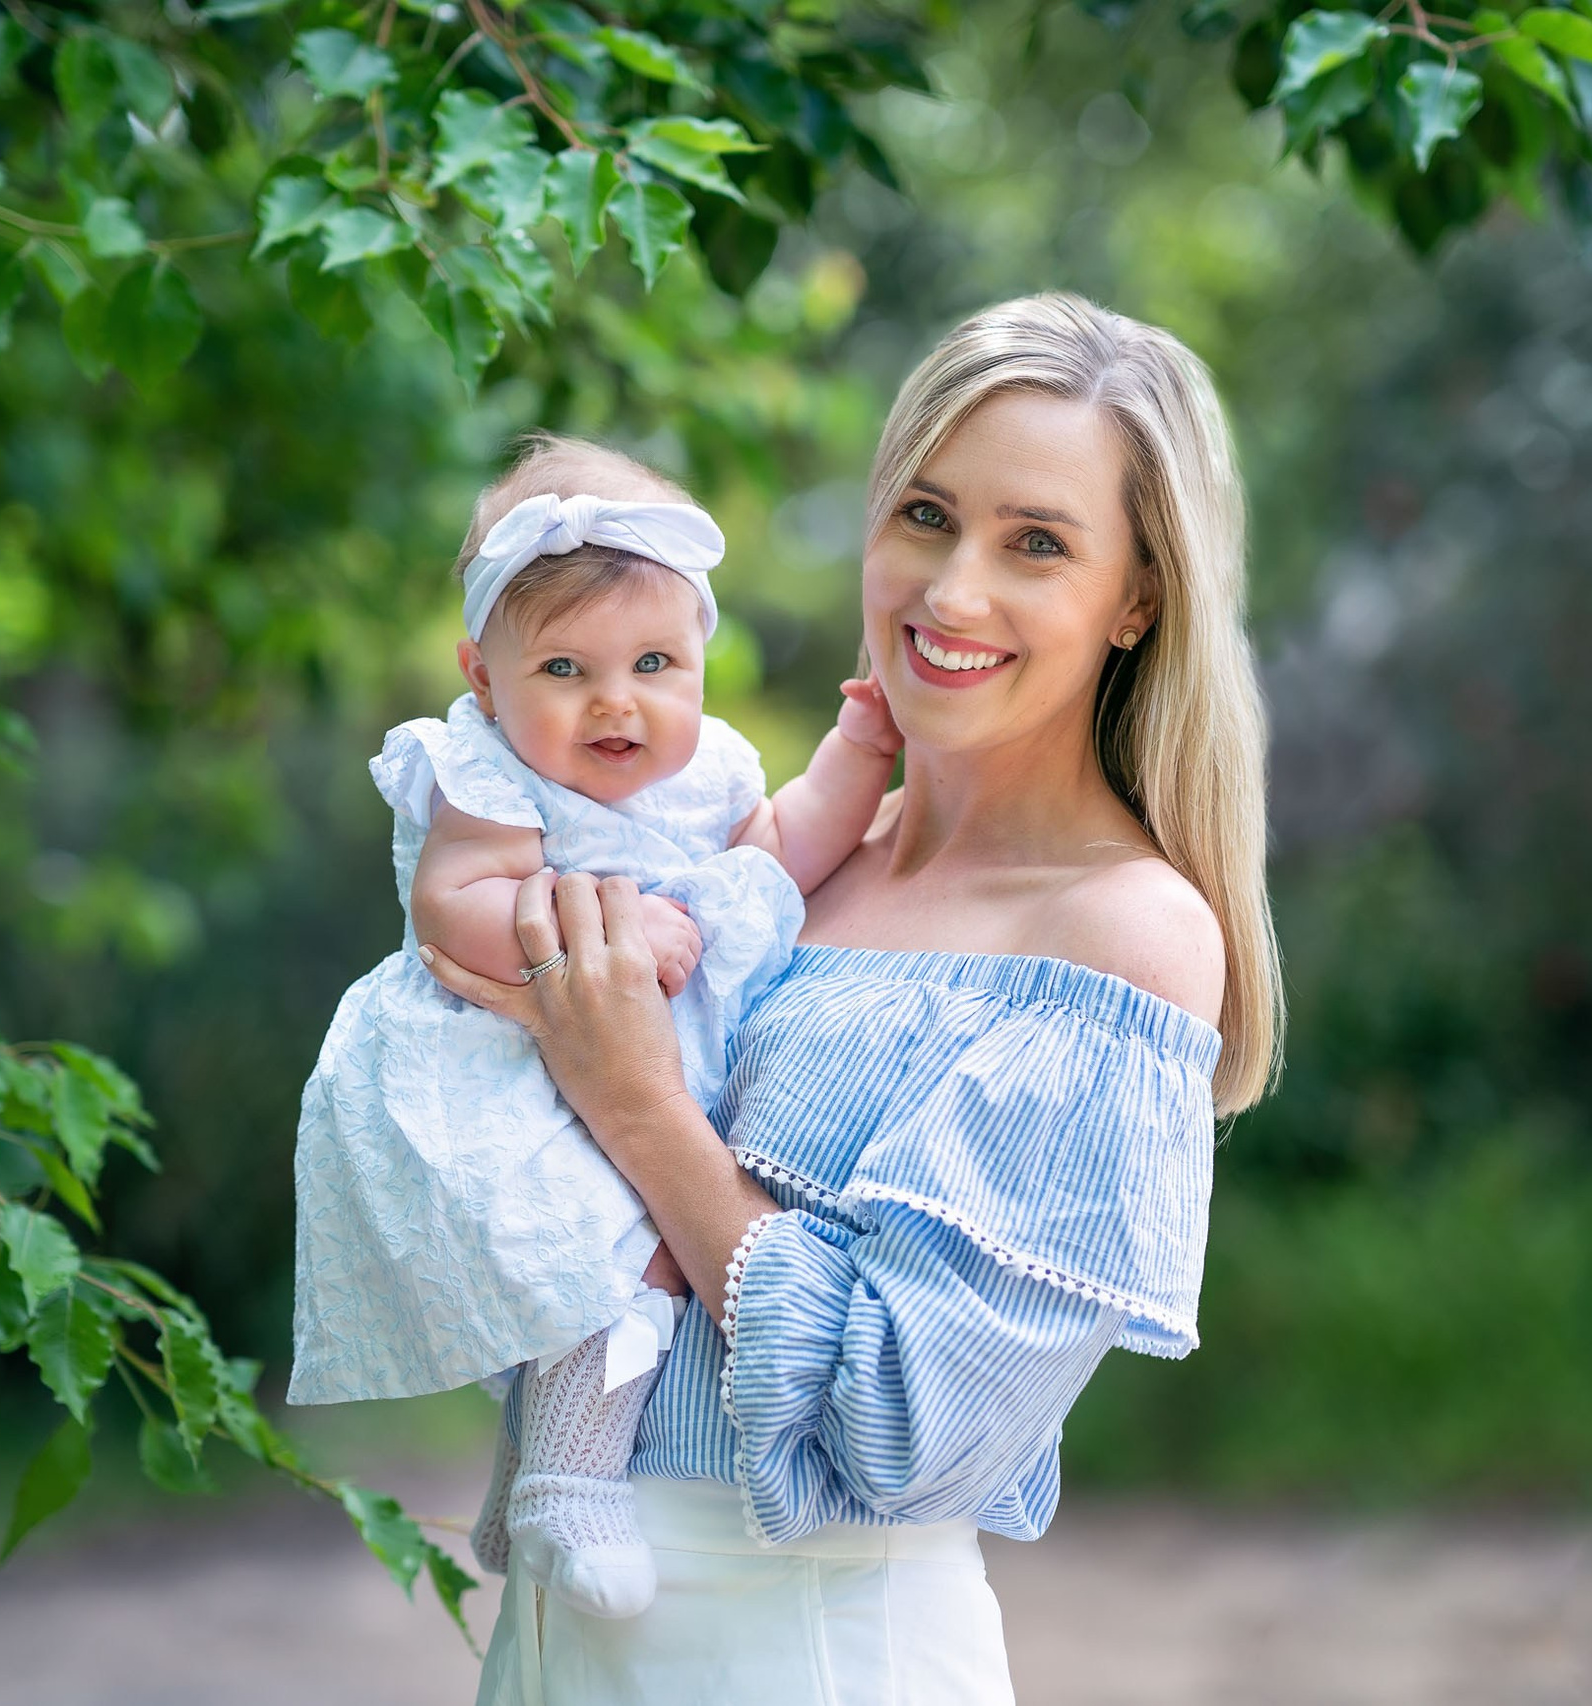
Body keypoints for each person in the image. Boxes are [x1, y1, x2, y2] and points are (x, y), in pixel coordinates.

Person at [422, 293, 1283, 1705]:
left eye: (1038, 544)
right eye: (928, 516)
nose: (951, 593)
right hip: (555, 1647)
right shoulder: (776, 867)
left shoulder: (1120, 934)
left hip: (801, 1653)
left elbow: (905, 1430)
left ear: (1138, 597)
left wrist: (637, 1100)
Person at [288, 435, 904, 1620]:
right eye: (565, 665)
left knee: (652, 1216)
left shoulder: (711, 769)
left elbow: (780, 853)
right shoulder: (482, 772)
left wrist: (861, 751)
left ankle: (532, 1470)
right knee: (618, 1231)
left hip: (629, 1059)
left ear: (701, 658)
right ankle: (569, 1476)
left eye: (656, 661)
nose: (615, 699)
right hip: (514, 1058)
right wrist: (601, 928)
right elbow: (451, 907)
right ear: (481, 674)